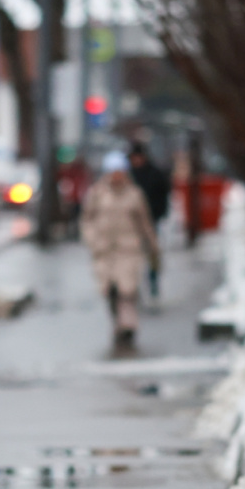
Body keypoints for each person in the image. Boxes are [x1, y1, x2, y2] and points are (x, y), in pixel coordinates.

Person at [81, 151, 160, 350]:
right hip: (104, 250)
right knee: (110, 290)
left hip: (128, 249)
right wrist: (92, 240)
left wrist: (152, 246)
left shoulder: (134, 194)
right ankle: (118, 324)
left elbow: (144, 222)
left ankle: (128, 325)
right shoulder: (97, 193)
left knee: (127, 290)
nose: (117, 176)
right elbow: (87, 219)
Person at [128, 142, 170, 298]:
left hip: (151, 220)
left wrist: (159, 213)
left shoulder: (154, 174)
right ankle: (133, 284)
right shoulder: (129, 175)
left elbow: (163, 195)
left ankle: (153, 280)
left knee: (152, 253)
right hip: (131, 223)